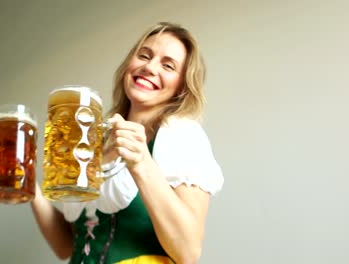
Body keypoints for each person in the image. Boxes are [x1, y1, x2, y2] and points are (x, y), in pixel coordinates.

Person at [30, 21, 224, 264]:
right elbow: (67, 246)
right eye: (144, 55)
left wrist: (142, 163)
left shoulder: (181, 135)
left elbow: (188, 253)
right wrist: (30, 189)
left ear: (181, 88)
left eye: (168, 65)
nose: (150, 67)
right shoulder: (94, 144)